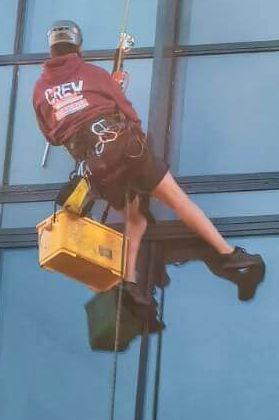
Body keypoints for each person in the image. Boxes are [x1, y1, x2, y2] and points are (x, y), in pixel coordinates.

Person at [33, 19, 265, 317]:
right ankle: (229, 255)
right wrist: (137, 136)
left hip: (97, 168)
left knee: (135, 217)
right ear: (77, 45)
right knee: (177, 200)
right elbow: (125, 109)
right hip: (123, 147)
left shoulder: (40, 90)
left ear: (51, 48)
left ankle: (130, 282)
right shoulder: (93, 73)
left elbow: (52, 136)